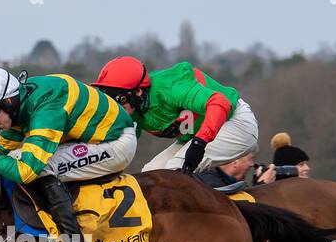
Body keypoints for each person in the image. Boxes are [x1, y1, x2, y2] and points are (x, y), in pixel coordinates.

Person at [0, 67, 137, 242]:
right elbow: (4, 148)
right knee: (13, 158)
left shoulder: (46, 107)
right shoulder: (20, 101)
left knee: (41, 167)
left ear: (8, 100)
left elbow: (26, 172)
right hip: (94, 139)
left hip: (117, 143)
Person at [92, 56, 258, 176]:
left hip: (236, 123)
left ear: (138, 91)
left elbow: (219, 102)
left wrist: (200, 143)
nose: (116, 108)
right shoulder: (132, 109)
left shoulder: (171, 87)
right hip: (199, 133)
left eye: (120, 100)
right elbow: (118, 146)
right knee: (149, 174)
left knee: (173, 170)